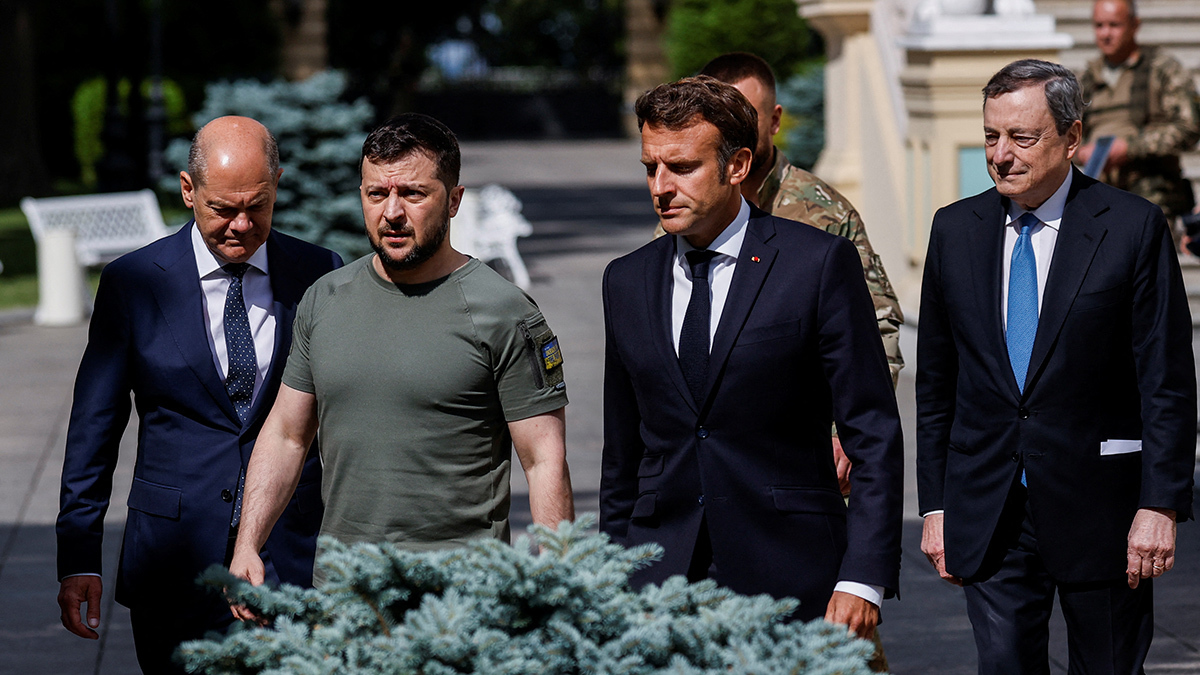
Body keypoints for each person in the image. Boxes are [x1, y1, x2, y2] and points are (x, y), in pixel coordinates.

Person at [917, 59, 1195, 673]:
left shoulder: (1131, 227)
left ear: (1071, 139)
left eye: (1022, 137)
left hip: (1104, 513)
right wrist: (935, 507)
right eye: (992, 136)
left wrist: (1162, 504)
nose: (1001, 155)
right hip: (990, 511)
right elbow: (937, 386)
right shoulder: (954, 230)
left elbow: (1166, 380)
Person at [600, 76, 904, 638]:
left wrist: (864, 577)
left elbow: (873, 430)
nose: (660, 186)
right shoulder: (626, 280)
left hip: (792, 574)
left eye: (682, 167)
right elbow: (623, 453)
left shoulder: (816, 263)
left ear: (737, 165)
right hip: (659, 581)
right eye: (650, 167)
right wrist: (611, 575)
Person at [227, 113, 574, 598]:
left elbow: (544, 461)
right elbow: (286, 436)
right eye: (376, 194)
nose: (391, 212)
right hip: (346, 596)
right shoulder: (325, 300)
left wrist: (556, 585)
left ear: (453, 201)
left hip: (461, 602)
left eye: (412, 194)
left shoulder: (504, 312)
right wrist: (248, 544)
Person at [56, 116, 343, 673]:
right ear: (189, 191)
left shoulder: (317, 273)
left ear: (277, 185)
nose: (241, 223)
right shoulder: (134, 283)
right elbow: (95, 427)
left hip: (289, 553)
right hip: (173, 559)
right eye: (222, 208)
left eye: (257, 206)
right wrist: (78, 558)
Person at [1076, 0, 1200, 221]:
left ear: (1135, 25)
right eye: (1099, 25)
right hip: (1099, 201)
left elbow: (1189, 127)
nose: (1106, 33)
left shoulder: (1162, 70)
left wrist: (1130, 147)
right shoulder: (1085, 79)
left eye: (1114, 25)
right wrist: (1082, 151)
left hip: (1152, 199)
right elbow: (1063, 135)